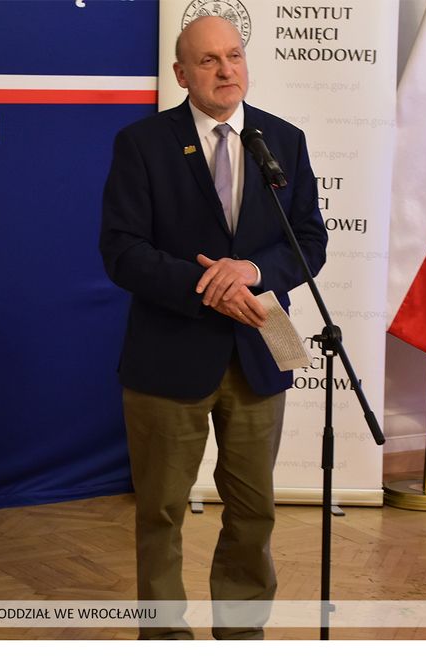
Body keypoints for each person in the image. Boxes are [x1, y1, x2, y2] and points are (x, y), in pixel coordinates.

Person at [99, 15, 327, 639]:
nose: (226, 70)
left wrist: (249, 269)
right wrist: (210, 289)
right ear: (181, 73)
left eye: (234, 56)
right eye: (208, 61)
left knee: (254, 510)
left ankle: (240, 634)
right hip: (169, 352)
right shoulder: (141, 143)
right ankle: (165, 638)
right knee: (162, 512)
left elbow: (308, 240)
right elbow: (121, 250)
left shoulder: (284, 139)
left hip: (261, 346)